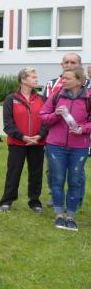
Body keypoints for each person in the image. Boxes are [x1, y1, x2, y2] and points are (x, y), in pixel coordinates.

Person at [39, 66, 90, 232]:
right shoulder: (56, 96)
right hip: (55, 146)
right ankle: (59, 214)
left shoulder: (88, 98)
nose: (63, 81)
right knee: (58, 179)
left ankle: (71, 216)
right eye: (63, 78)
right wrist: (56, 114)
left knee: (75, 181)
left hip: (79, 147)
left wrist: (83, 129)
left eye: (67, 78)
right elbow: (43, 116)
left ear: (79, 81)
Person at [0, 67, 47, 213]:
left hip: (37, 143)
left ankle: (35, 202)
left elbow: (47, 121)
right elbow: (8, 125)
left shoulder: (42, 99)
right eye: (33, 77)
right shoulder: (11, 99)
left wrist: (39, 136)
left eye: (36, 76)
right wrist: (23, 137)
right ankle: (7, 201)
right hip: (17, 143)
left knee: (36, 173)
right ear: (23, 80)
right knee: (13, 172)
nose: (36, 79)